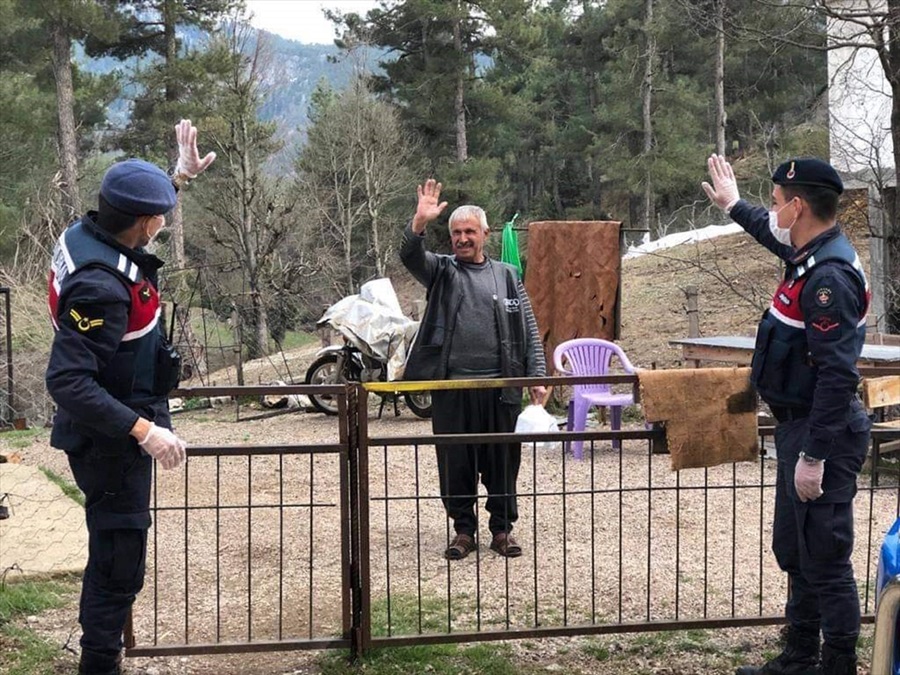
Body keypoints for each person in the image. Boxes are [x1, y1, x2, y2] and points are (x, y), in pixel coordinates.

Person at [45, 120, 215, 675]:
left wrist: (177, 178)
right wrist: (146, 432)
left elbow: (135, 223)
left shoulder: (89, 232)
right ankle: (99, 665)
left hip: (120, 423)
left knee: (118, 553)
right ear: (142, 222)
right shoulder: (98, 286)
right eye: (158, 215)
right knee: (119, 560)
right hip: (111, 444)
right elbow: (68, 382)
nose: (162, 222)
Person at [702, 155, 871, 675]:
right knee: (797, 551)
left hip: (824, 432)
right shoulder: (810, 253)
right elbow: (774, 236)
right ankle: (800, 656)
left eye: (776, 202)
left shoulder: (830, 279)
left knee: (825, 557)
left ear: (797, 207)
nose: (772, 210)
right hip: (800, 426)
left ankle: (837, 664)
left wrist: (815, 455)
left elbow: (837, 377)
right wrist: (734, 206)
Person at [401, 179, 547, 560]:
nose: (462, 238)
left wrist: (537, 374)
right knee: (456, 463)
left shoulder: (507, 275)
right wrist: (418, 223)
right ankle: (463, 531)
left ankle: (502, 530)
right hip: (452, 390)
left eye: (469, 231)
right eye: (456, 232)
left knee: (501, 462)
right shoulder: (442, 271)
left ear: (485, 234)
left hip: (501, 389)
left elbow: (527, 325)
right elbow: (411, 256)